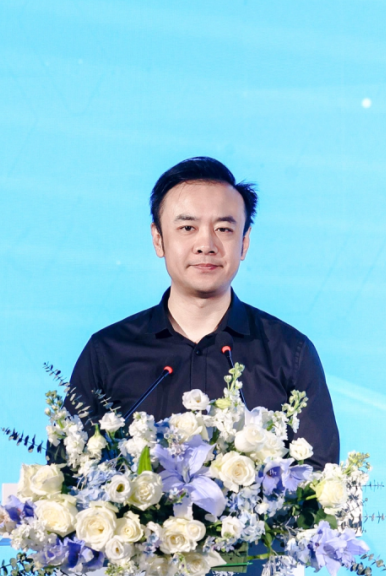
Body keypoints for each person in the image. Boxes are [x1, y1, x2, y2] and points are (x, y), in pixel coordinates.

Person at [65, 156, 339, 468]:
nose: (206, 244)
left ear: (244, 242)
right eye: (187, 227)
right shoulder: (108, 353)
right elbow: (69, 469)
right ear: (158, 239)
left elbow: (319, 477)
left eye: (223, 229)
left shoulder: (290, 353)